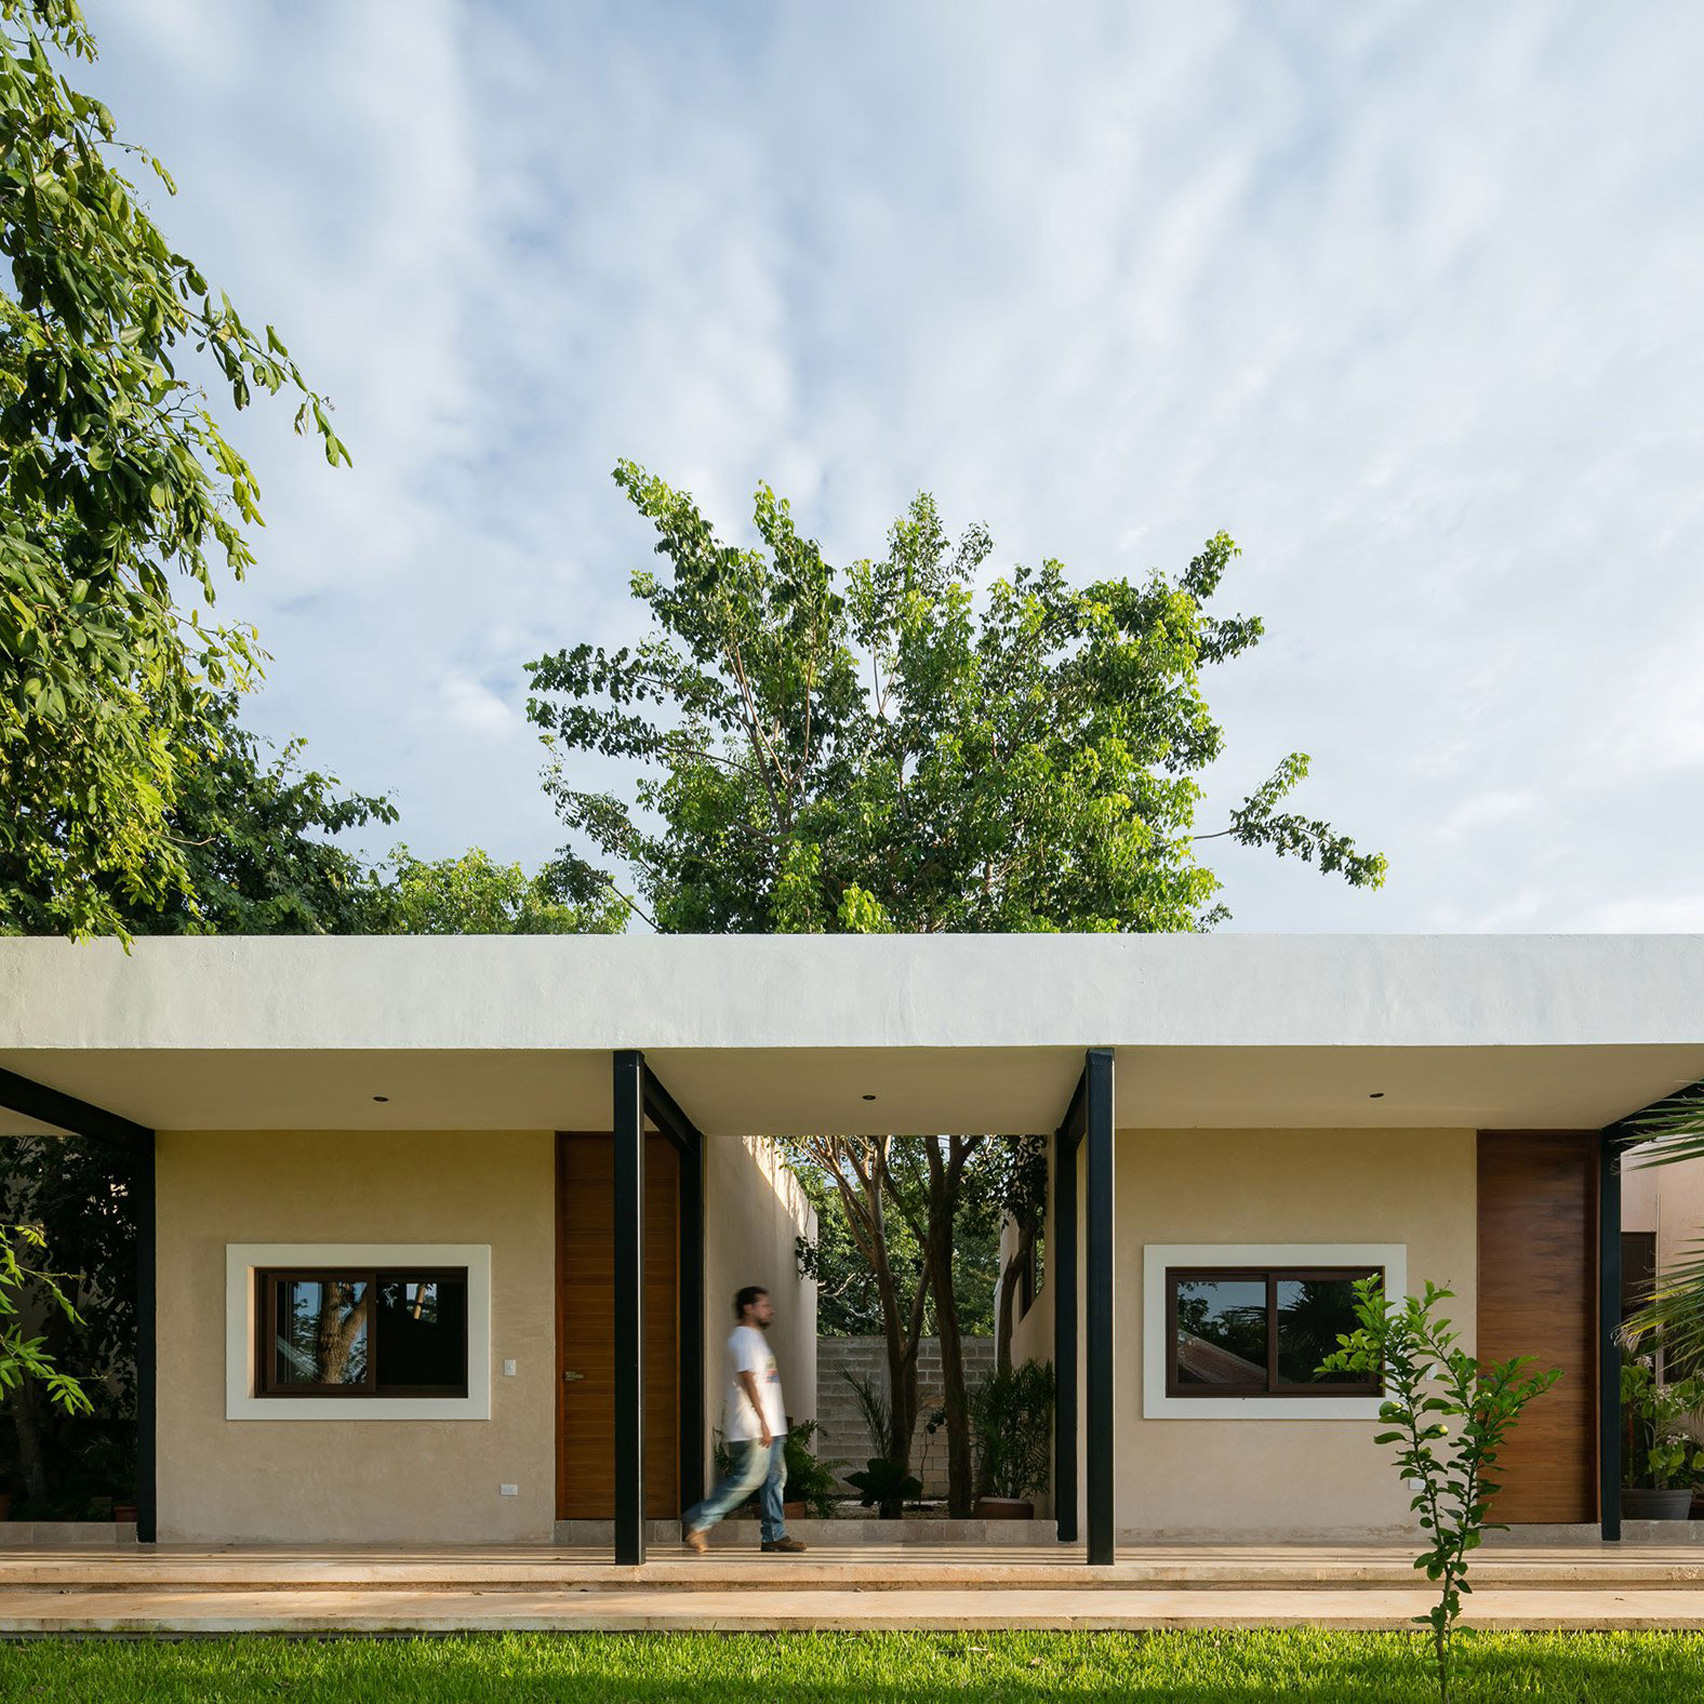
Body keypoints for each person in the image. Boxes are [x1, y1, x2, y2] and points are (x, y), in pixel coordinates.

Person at [682, 1284, 806, 1554]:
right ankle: (699, 1518)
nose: (770, 1309)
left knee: (775, 1478)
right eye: (764, 1305)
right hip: (752, 1428)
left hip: (769, 1427)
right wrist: (762, 1421)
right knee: (747, 1479)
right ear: (748, 1308)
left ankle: (774, 1535)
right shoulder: (745, 1338)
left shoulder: (754, 1338)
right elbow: (748, 1380)